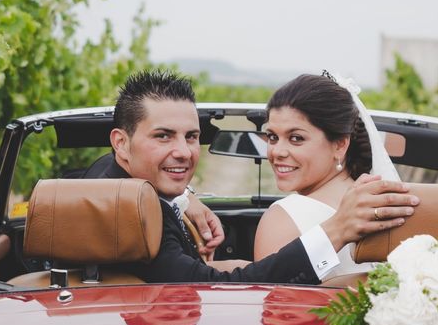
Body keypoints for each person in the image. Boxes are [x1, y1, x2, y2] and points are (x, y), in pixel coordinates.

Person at [90, 70, 418, 284]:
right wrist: (335, 230)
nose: (184, 152)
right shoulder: (129, 209)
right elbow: (205, 286)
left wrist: (183, 196)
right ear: (121, 142)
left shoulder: (113, 184)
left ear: (340, 145)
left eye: (191, 137)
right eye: (163, 136)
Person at [254, 72, 404, 276]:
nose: (277, 151)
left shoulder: (283, 218)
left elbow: (271, 301)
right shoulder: (383, 206)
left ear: (340, 145)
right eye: (272, 137)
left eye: (296, 138)